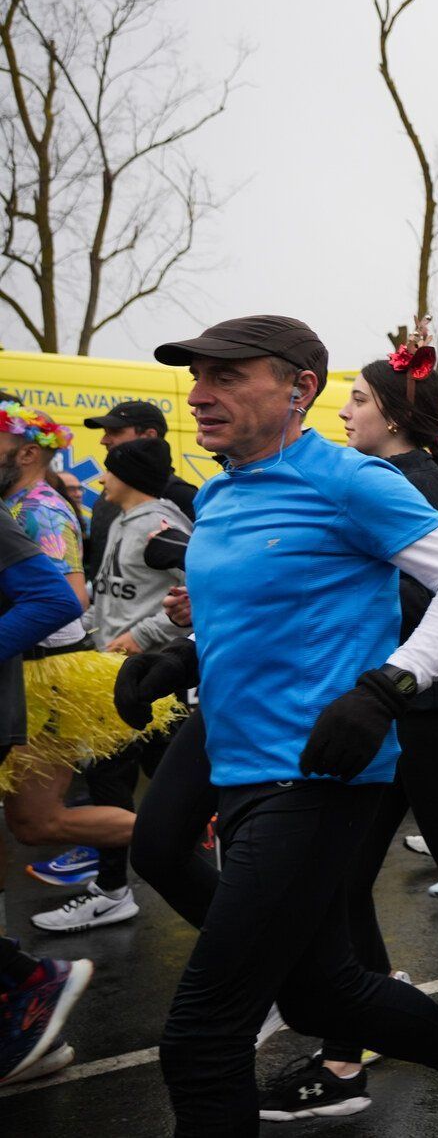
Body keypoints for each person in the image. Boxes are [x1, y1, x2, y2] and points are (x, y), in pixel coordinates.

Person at [148, 314, 438, 1137]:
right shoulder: (224, 488)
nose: (201, 395)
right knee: (318, 990)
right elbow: (262, 606)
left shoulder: (350, 479)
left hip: (314, 773)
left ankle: (247, 963)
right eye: (197, 377)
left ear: (299, 389)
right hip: (234, 759)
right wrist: (184, 652)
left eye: (228, 377)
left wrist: (386, 686)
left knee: (201, 1034)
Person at [30, 438, 196, 935]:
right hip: (111, 672)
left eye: (110, 470)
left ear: (132, 476)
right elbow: (107, 597)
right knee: (146, 782)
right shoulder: (121, 521)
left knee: (112, 782)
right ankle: (125, 885)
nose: (102, 478)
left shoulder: (159, 526)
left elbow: (205, 589)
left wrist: (141, 638)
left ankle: (116, 891)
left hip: (146, 675)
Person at [0, 403, 172, 857]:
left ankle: (184, 830)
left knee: (39, 820)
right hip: (29, 670)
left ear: (28, 454)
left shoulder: (39, 508)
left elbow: (69, 598)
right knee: (28, 821)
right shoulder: (17, 504)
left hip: (46, 677)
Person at [0, 508, 96, 1087]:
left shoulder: (39, 509)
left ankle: (29, 979)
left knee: (40, 821)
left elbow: (58, 600)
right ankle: (24, 1015)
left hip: (63, 680)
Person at [80, 399, 199, 575]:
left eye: (114, 431)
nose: (104, 440)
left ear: (149, 435)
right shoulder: (115, 490)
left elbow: (195, 565)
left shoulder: (179, 494)